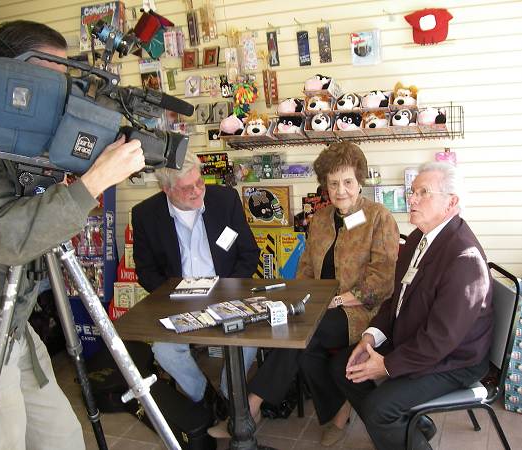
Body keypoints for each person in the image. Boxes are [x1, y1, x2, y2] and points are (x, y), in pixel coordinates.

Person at [0, 20, 145, 450]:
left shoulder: (19, 144)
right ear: (14, 77)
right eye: (53, 77)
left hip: (15, 320)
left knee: (63, 437)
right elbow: (1, 236)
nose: (63, 93)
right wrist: (91, 185)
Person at [209, 142, 399, 444]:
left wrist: (339, 300)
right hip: (319, 306)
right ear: (325, 184)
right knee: (303, 346)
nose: (341, 191)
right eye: (333, 183)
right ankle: (338, 414)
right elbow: (306, 268)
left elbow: (382, 281)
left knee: (304, 333)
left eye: (348, 182)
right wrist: (300, 298)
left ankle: (249, 409)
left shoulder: (379, 217)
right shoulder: (321, 219)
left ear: (360, 180)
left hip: (362, 312)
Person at [331, 161, 494, 450]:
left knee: (379, 410)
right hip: (416, 340)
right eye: (412, 191)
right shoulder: (420, 237)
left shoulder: (464, 258)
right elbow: (396, 300)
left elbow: (440, 340)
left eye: (423, 192)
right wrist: (370, 337)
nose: (412, 198)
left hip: (455, 359)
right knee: (341, 366)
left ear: (451, 202)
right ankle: (413, 427)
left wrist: (387, 365)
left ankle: (401, 428)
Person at [131, 150, 260, 416]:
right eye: (187, 188)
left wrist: (229, 291)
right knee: (164, 351)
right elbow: (146, 271)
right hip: (178, 300)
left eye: (199, 182)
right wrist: (173, 295)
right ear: (167, 190)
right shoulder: (145, 214)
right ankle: (203, 395)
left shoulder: (225, 200)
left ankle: (227, 395)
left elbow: (249, 253)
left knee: (248, 340)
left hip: (227, 293)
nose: (197, 191)